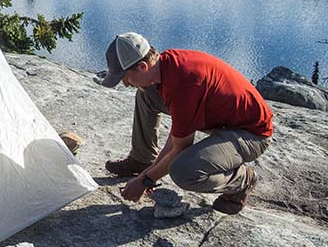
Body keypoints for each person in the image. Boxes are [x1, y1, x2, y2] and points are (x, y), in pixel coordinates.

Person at [99, 32, 273, 214]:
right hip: (221, 121)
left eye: (125, 78)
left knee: (182, 170)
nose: (126, 84)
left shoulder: (182, 86)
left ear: (143, 66)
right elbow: (177, 138)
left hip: (251, 134)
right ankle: (141, 160)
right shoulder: (165, 65)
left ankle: (243, 180)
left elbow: (179, 148)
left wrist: (146, 180)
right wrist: (150, 171)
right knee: (146, 95)